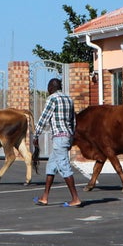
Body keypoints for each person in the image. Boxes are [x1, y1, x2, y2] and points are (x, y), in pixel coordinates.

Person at [32, 78, 82, 207]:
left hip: (59, 138)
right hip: (67, 136)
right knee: (51, 167)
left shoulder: (52, 99)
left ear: (51, 88)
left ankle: (75, 198)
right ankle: (44, 197)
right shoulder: (68, 99)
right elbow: (73, 121)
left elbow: (44, 118)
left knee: (64, 167)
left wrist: (36, 135)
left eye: (48, 87)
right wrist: (71, 137)